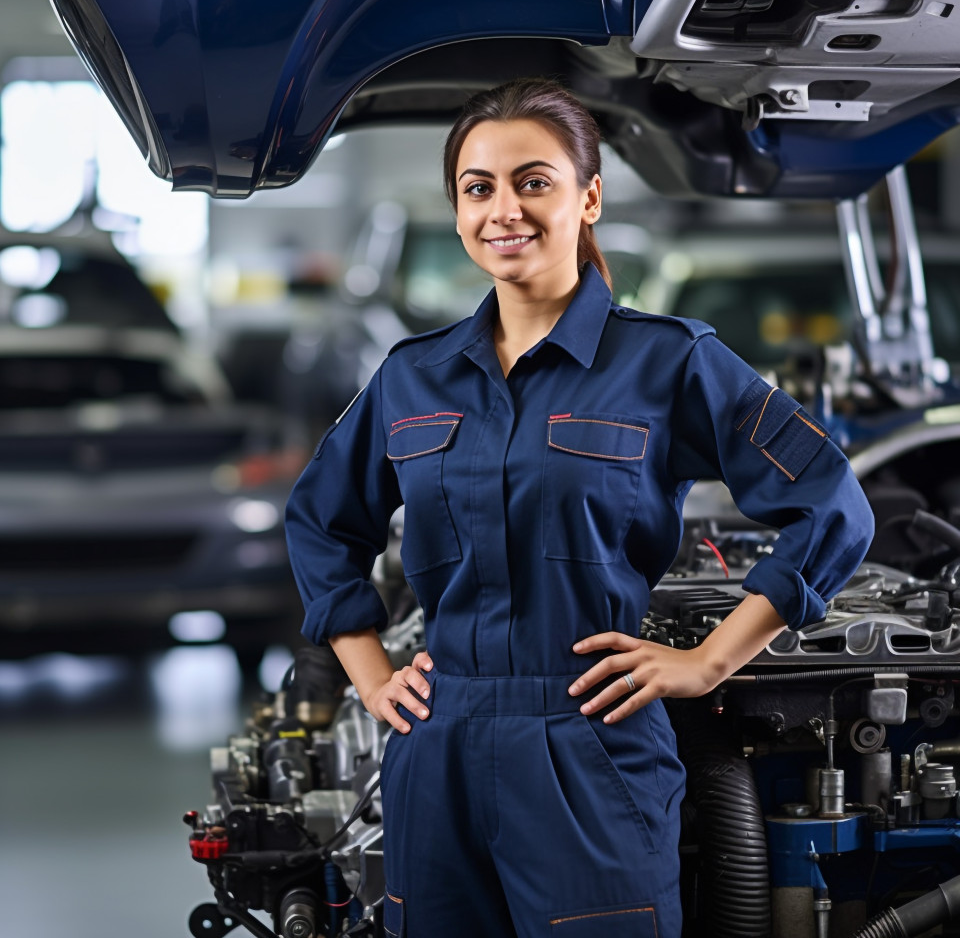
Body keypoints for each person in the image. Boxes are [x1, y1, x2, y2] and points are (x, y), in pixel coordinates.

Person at [285, 77, 874, 938]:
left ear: (588, 196)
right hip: (435, 751)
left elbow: (832, 503)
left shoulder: (669, 362)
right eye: (478, 188)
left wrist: (709, 662)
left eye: (535, 181)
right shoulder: (412, 376)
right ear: (456, 210)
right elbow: (319, 519)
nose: (504, 210)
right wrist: (369, 672)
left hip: (590, 742)